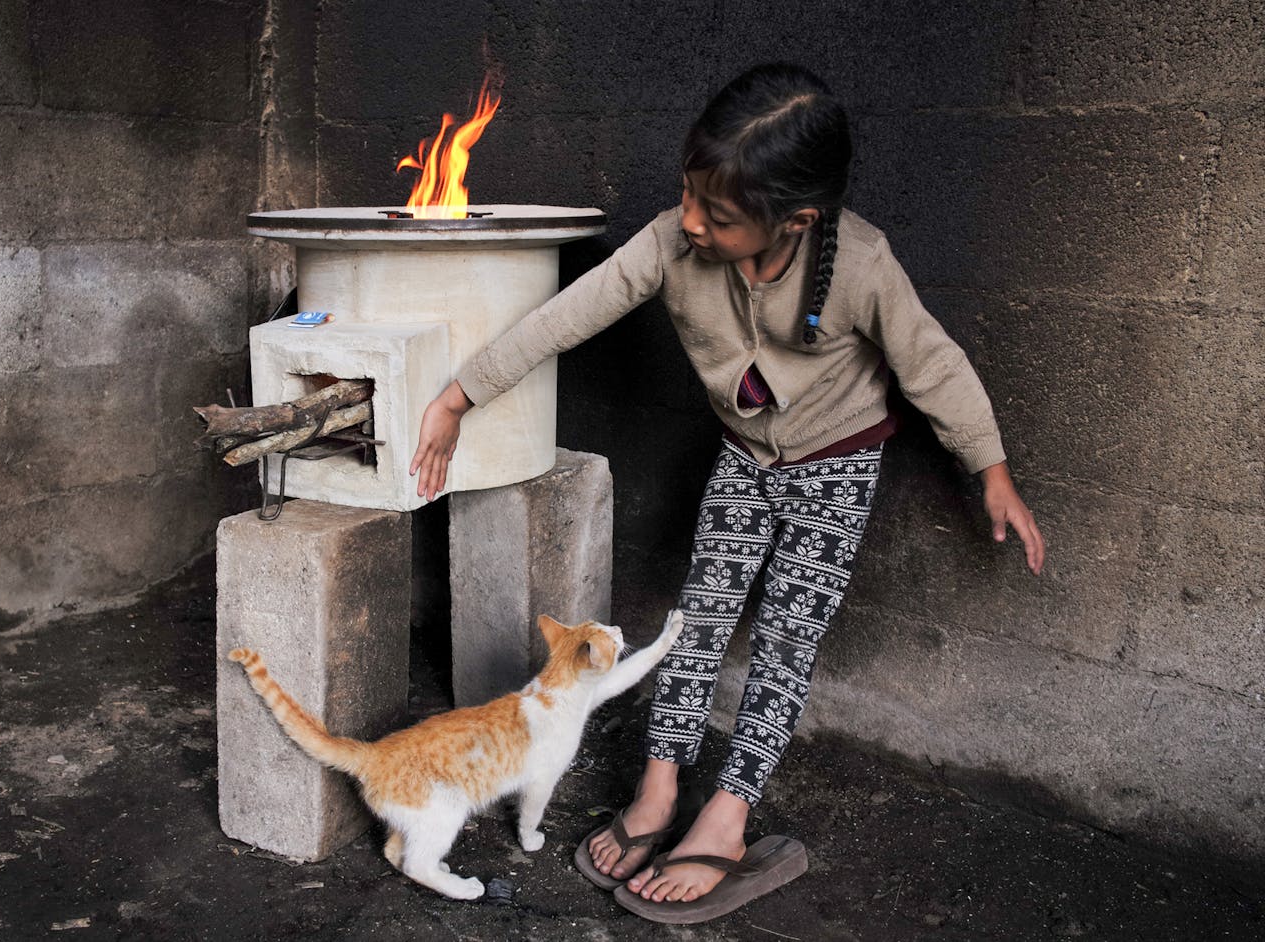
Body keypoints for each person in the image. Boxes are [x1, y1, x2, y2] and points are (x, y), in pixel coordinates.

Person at [408, 62, 1045, 922]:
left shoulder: (858, 262)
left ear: (797, 220)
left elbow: (932, 363)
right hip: (745, 458)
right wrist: (456, 397)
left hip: (837, 466)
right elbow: (568, 314)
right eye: (688, 196)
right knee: (696, 618)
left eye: (721, 215)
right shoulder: (675, 239)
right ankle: (661, 789)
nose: (693, 223)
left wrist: (991, 470)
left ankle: (729, 814)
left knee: (787, 635)